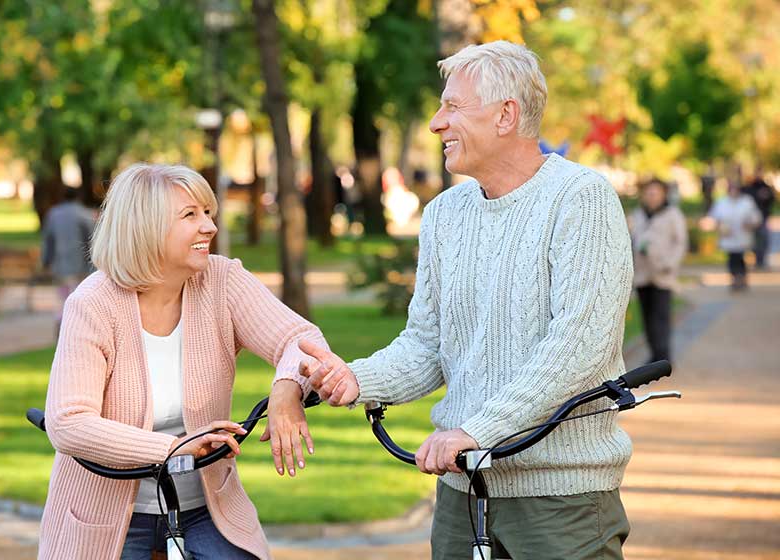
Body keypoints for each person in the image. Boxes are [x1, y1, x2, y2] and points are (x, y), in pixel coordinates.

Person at [294, 41, 635, 559]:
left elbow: (579, 345)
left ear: (506, 116)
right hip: (462, 494)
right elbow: (428, 346)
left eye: (453, 106)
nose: (435, 123)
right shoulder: (444, 215)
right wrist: (357, 379)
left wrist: (478, 430)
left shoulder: (580, 198)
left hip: (560, 500)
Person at [39, 163, 326, 560]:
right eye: (190, 215)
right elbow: (68, 422)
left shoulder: (221, 280)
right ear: (145, 227)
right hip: (103, 514)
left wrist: (286, 389)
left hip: (205, 509)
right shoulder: (93, 304)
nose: (209, 227)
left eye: (208, 213)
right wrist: (174, 448)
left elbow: (302, 339)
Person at [628, 178, 688, 363]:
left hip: (663, 274)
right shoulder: (638, 215)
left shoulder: (672, 214)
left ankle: (663, 356)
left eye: (655, 193)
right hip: (642, 274)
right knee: (647, 318)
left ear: (663, 194)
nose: (652, 196)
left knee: (661, 317)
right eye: (648, 192)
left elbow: (680, 243)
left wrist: (670, 263)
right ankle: (654, 355)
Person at [40, 187, 97, 336]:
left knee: (63, 297)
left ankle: (62, 325)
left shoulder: (54, 215)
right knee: (79, 298)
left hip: (60, 265)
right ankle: (73, 328)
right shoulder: (84, 214)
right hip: (81, 266)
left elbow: (48, 240)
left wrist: (46, 261)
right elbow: (92, 242)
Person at [709, 180, 762, 290]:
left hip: (743, 236)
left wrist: (749, 224)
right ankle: (734, 278)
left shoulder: (747, 202)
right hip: (728, 236)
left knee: (740, 257)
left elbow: (756, 217)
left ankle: (741, 277)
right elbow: (714, 218)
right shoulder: (722, 202)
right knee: (731, 258)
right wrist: (719, 227)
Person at [742, 173, 776, 269]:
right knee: (753, 240)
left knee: (763, 238)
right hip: (751, 218)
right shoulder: (749, 187)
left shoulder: (766, 187)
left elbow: (772, 200)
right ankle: (755, 259)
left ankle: (761, 260)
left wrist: (767, 196)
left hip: (763, 217)